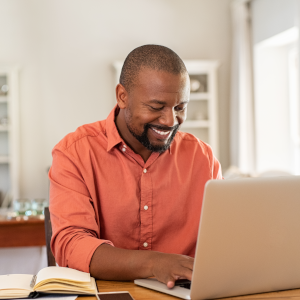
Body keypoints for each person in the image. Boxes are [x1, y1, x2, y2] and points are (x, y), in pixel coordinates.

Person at [49, 44, 222, 288]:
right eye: (156, 107)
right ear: (122, 96)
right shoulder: (74, 153)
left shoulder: (202, 157)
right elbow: (72, 245)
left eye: (180, 107)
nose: (170, 120)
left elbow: (222, 240)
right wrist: (154, 263)